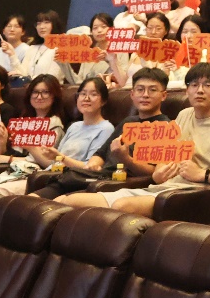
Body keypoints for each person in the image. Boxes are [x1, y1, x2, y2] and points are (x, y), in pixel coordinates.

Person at [65, 63, 210, 216]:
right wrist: (159, 172)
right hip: (163, 188)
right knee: (68, 201)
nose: (199, 90)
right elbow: (164, 160)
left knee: (122, 206)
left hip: (192, 194)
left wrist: (202, 174)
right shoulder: (184, 115)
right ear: (187, 90)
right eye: (194, 85)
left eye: (207, 85)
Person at [31, 68, 170, 200]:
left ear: (164, 95)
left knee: (61, 197)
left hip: (118, 183)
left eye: (152, 90)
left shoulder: (164, 127)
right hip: (99, 177)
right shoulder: (128, 121)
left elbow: (153, 173)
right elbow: (101, 153)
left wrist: (126, 158)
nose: (145, 95)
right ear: (132, 94)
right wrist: (93, 164)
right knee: (42, 194)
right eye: (140, 89)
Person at [61, 13, 129, 86]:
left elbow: (124, 81)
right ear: (91, 32)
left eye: (103, 27)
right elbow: (79, 82)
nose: (99, 30)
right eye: (95, 28)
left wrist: (112, 62)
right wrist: (64, 65)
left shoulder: (121, 50)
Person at [13, 10, 64, 80]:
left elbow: (52, 77)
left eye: (46, 22)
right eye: (38, 23)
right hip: (29, 86)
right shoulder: (32, 48)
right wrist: (11, 55)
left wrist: (29, 78)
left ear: (55, 25)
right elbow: (23, 73)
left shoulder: (61, 49)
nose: (41, 27)